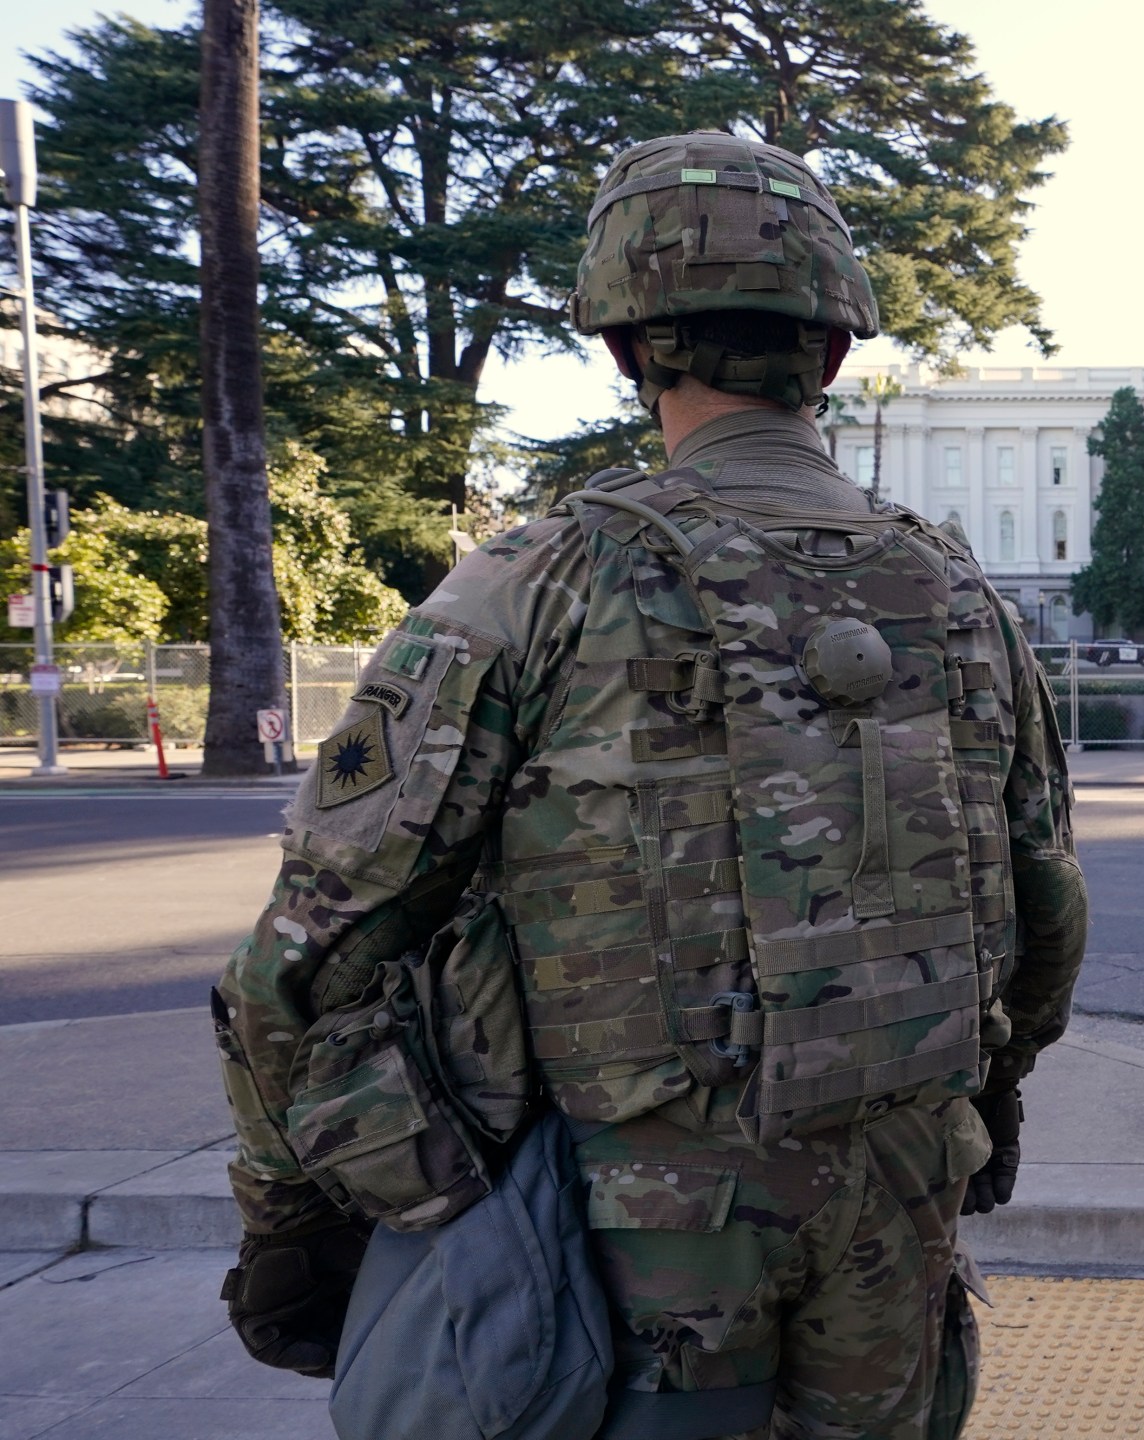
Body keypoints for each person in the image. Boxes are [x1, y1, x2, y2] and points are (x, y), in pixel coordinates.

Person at [211, 130, 1087, 1437]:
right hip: (899, 1199)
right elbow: (1042, 911)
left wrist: (323, 1218)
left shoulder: (540, 583)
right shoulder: (965, 597)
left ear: (626, 346)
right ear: (832, 351)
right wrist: (978, 1121)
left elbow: (302, 958)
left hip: (646, 1227)